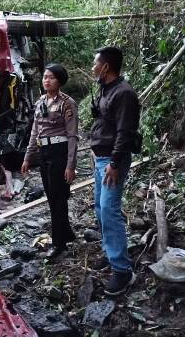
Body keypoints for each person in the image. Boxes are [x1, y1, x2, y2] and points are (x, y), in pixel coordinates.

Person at [90, 46, 140, 295]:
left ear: (106, 66)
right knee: (100, 209)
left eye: (95, 63)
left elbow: (125, 132)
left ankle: (122, 270)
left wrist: (115, 163)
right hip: (99, 158)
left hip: (111, 160)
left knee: (110, 211)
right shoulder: (106, 89)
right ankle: (111, 254)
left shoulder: (124, 93)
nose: (92, 68)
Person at [21, 63, 79, 259]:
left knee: (58, 197)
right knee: (53, 196)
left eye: (51, 77)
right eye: (45, 77)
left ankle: (59, 243)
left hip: (59, 152)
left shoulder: (67, 103)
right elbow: (34, 132)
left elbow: (72, 136)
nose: (46, 80)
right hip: (44, 152)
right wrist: (28, 157)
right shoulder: (40, 103)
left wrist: (71, 165)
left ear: (60, 81)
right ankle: (67, 233)